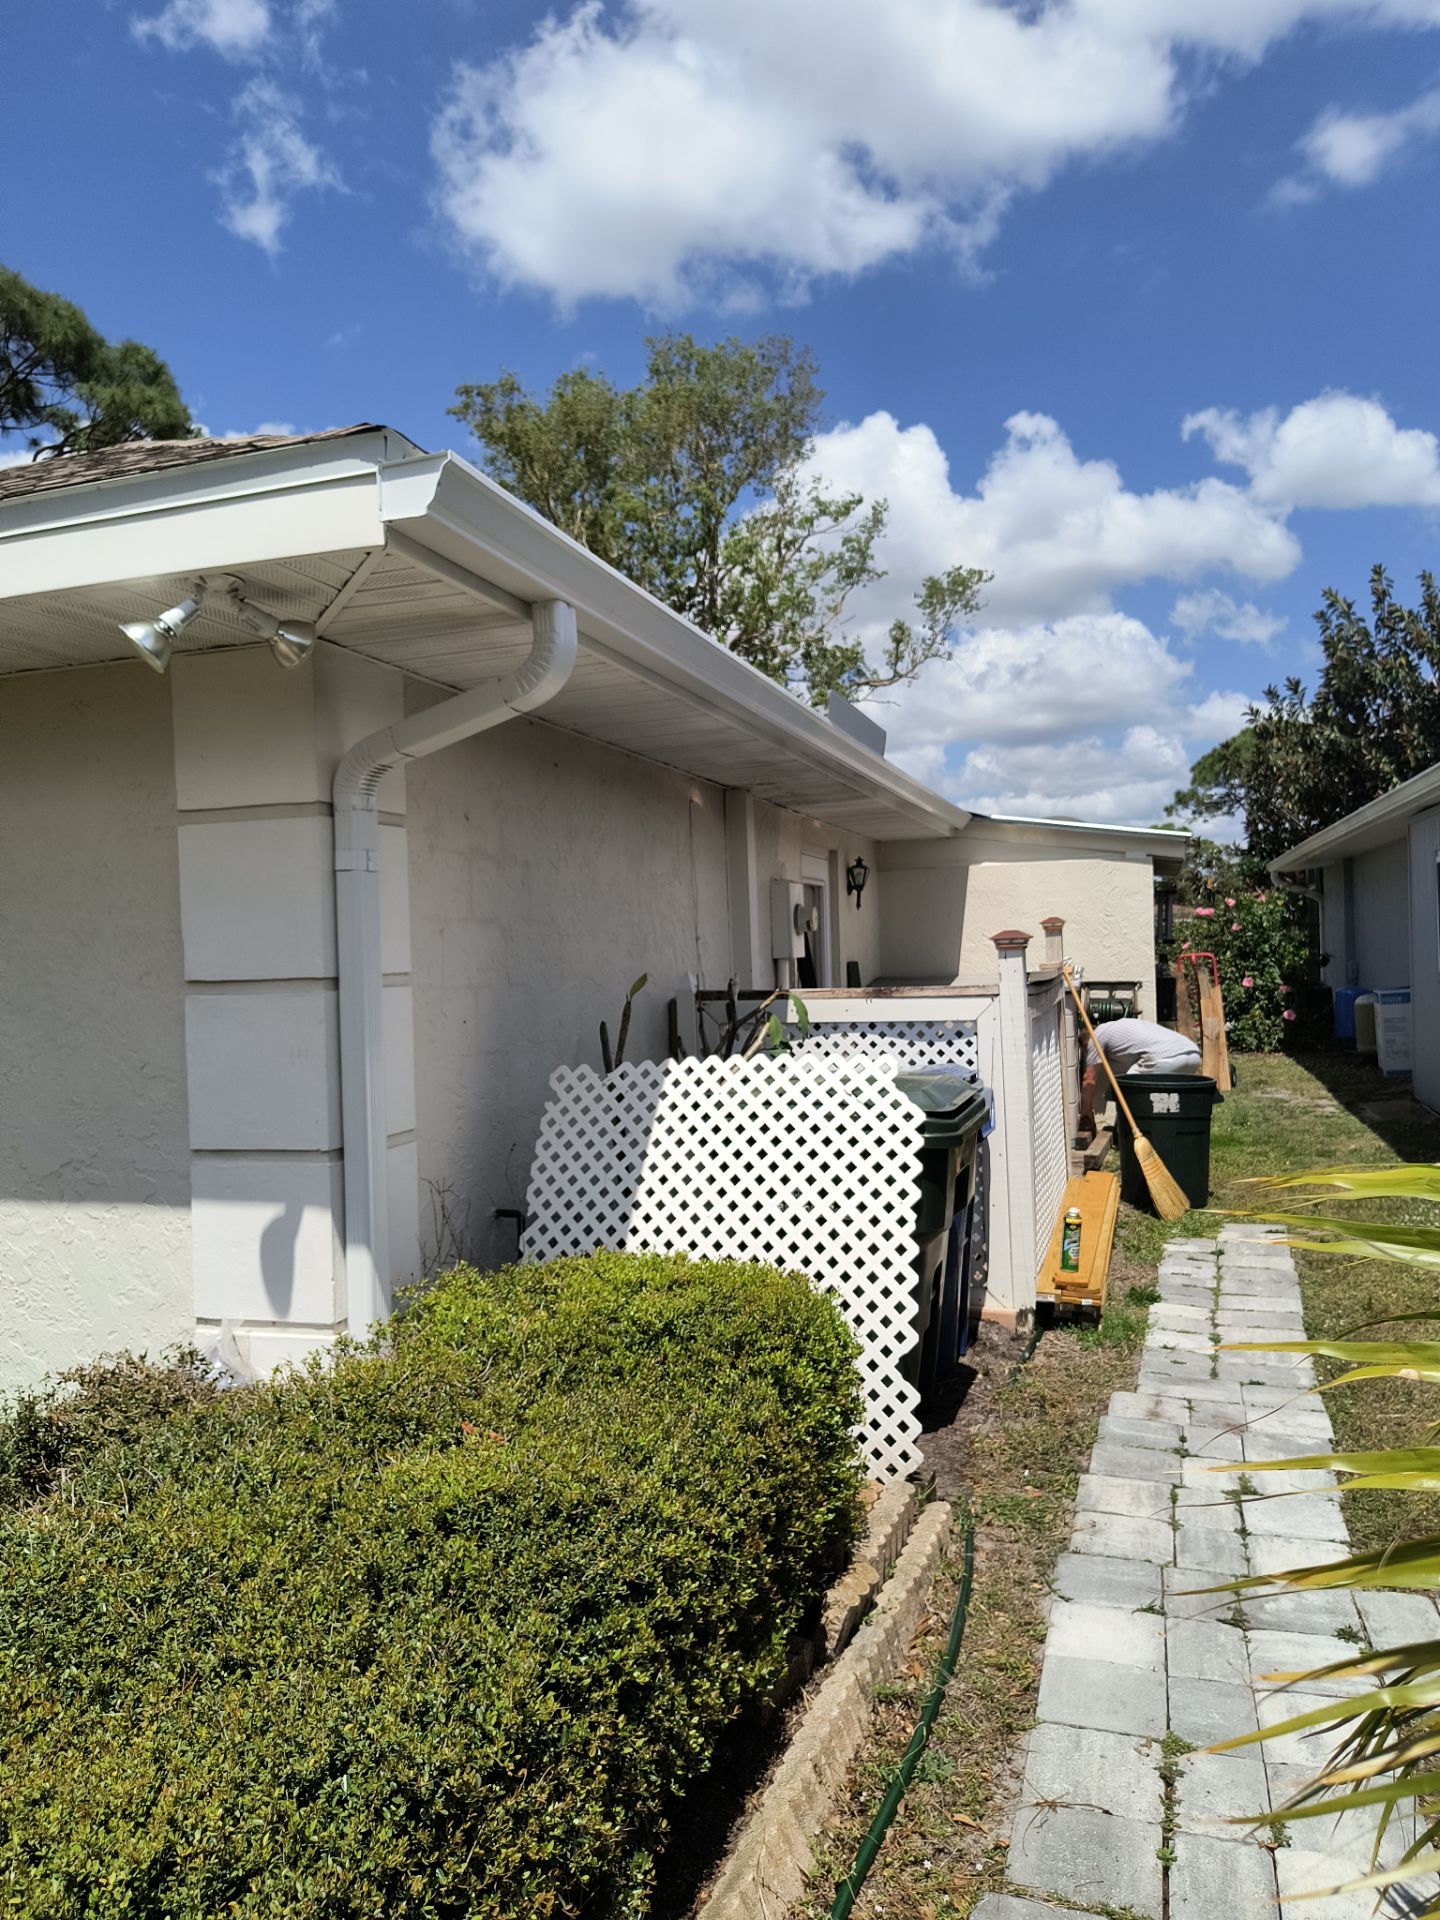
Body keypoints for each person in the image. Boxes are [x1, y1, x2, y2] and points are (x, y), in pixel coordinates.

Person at [1079, 1017, 1201, 1129]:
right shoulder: (1118, 1032)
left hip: (1163, 1057)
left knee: (1129, 1090)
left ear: (1085, 1044)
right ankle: (1166, 1131)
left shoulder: (1096, 1036)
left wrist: (1086, 1114)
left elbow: (1089, 1080)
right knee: (1162, 1100)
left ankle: (1126, 1134)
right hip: (1193, 1055)